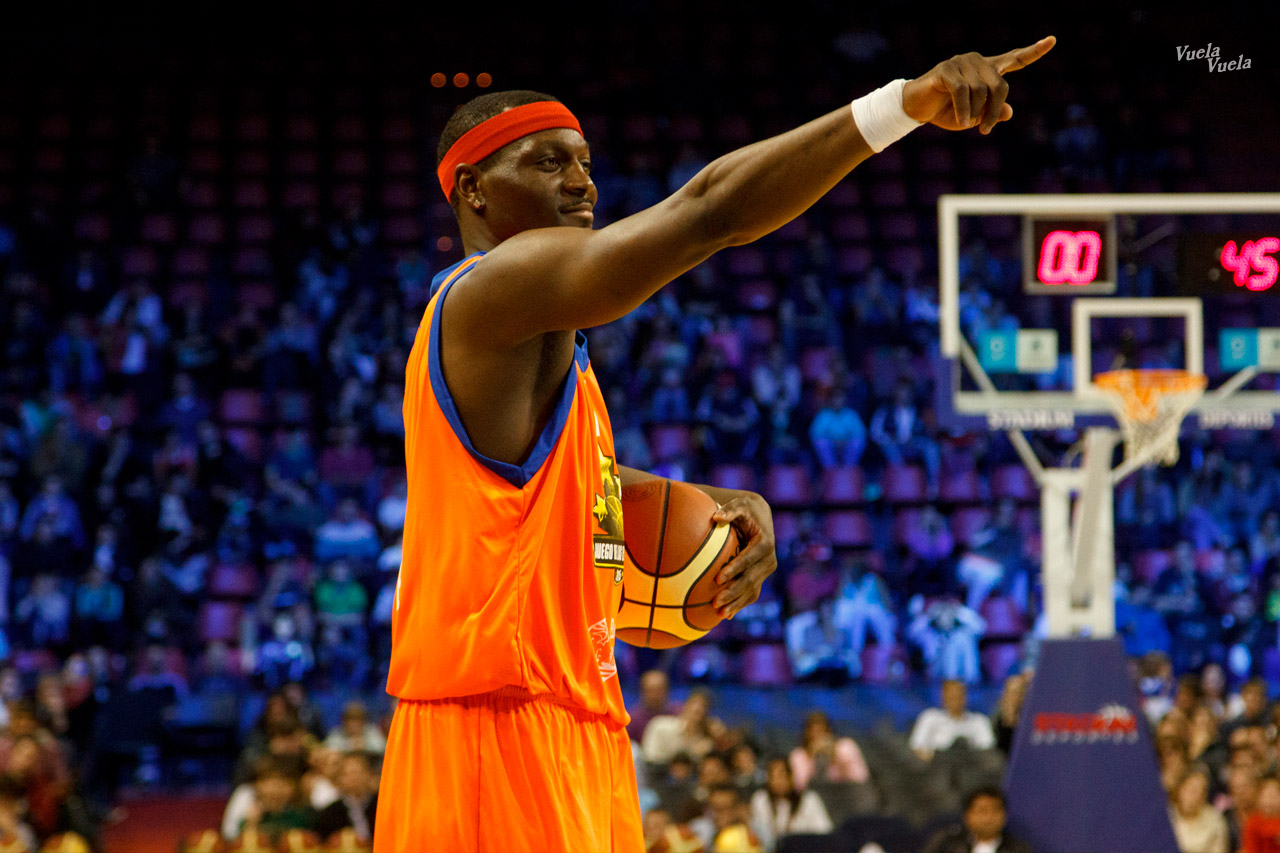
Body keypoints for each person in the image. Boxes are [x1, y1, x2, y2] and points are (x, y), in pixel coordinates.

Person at [374, 35, 1056, 851]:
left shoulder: (536, 344)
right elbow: (710, 213)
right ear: (475, 189)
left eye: (585, 160)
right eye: (549, 163)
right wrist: (903, 104)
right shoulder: (488, 292)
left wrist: (723, 503)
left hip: (576, 721)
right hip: (493, 727)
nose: (584, 181)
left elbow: (553, 495)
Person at [750, 757, 833, 852]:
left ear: (791, 777)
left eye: (782, 776)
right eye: (773, 777)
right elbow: (757, 835)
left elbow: (824, 833)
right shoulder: (760, 800)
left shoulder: (809, 799)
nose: (777, 782)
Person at [922, 786, 1031, 853]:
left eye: (995, 811)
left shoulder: (1018, 849)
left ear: (1004, 815)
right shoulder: (946, 843)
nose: (989, 818)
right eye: (982, 811)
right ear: (967, 815)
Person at [910, 680, 996, 762]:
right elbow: (916, 747)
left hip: (970, 769)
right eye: (951, 696)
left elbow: (987, 749)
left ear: (965, 697)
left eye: (958, 696)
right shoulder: (930, 717)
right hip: (937, 768)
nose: (955, 701)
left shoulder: (979, 721)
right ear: (943, 697)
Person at [312, 752, 379, 844]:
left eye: (357, 772)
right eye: (348, 774)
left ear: (368, 774)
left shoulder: (380, 805)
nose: (354, 778)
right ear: (340, 778)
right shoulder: (331, 812)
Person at [1170, 766, 1229, 853]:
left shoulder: (1215, 820)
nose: (1195, 796)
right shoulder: (1167, 815)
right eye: (1191, 789)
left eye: (1200, 791)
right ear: (1180, 789)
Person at [627, 670, 679, 744]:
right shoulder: (633, 719)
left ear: (667, 690)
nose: (655, 695)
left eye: (659, 690)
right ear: (642, 692)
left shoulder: (678, 713)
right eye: (651, 690)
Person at [1244, 774, 1280, 853]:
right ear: (1258, 798)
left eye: (1273, 796)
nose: (1269, 800)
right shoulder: (1253, 823)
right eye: (1266, 795)